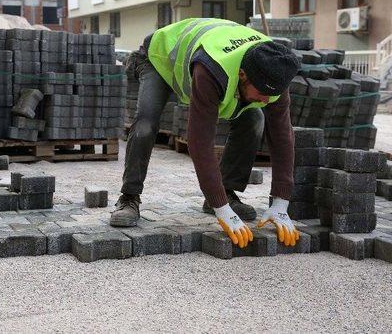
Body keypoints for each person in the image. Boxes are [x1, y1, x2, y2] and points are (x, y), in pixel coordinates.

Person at [110, 18, 301, 248]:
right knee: (146, 124)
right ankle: (129, 198)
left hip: (207, 55)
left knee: (254, 119)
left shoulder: (274, 70)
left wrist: (281, 202)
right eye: (261, 93)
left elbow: (282, 137)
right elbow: (200, 142)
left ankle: (226, 191)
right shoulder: (212, 70)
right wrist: (223, 211)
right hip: (160, 57)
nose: (265, 100)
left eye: (270, 96)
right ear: (242, 75)